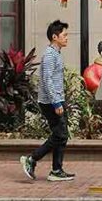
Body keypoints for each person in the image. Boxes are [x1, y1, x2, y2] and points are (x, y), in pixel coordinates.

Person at [21, 20, 75, 182]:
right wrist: (56, 103)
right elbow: (47, 80)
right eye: (64, 35)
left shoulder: (56, 53)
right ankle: (32, 159)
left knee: (61, 135)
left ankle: (57, 170)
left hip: (56, 99)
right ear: (54, 37)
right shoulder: (50, 55)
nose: (67, 38)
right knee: (60, 134)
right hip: (51, 102)